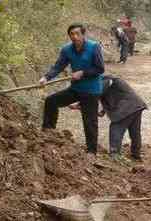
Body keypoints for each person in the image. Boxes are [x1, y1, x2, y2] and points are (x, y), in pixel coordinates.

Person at [39, 23, 104, 155]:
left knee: (89, 122)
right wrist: (46, 77)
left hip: (91, 91)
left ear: (83, 34)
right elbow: (58, 66)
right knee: (51, 101)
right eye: (71, 34)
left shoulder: (93, 47)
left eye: (77, 34)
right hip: (75, 89)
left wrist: (83, 73)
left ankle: (91, 152)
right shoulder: (67, 50)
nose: (74, 37)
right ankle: (48, 132)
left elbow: (100, 69)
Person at [78, 75, 146, 161]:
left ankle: (115, 154)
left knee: (116, 128)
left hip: (126, 107)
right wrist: (102, 111)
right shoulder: (107, 80)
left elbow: (98, 92)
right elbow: (110, 95)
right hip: (137, 105)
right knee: (134, 132)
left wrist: (80, 104)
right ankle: (136, 154)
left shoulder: (104, 80)